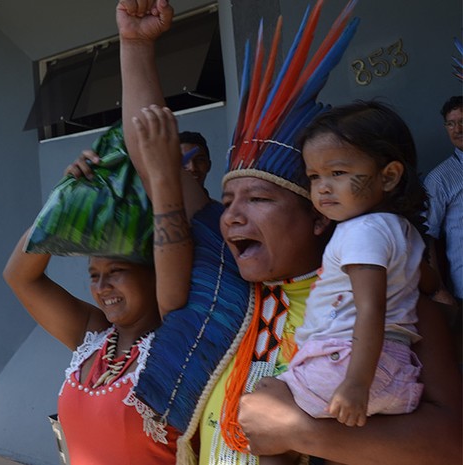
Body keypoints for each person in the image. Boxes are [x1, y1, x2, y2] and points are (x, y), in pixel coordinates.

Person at [116, 1, 462, 464]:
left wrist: (300, 433)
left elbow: (451, 440)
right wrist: (135, 45)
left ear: (320, 216)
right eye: (228, 202)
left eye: (258, 200)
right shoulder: (227, 285)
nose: (231, 217)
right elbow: (152, 156)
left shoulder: (395, 305)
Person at [3, 129, 186, 464]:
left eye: (116, 272)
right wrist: (66, 198)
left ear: (154, 270)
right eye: (93, 275)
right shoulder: (94, 335)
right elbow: (18, 276)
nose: (102, 287)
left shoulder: (177, 343)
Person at [261, 101, 427, 465]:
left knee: (266, 403)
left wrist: (356, 383)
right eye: (315, 177)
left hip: (351, 364)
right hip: (396, 369)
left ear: (388, 176)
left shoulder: (361, 231)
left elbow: (371, 309)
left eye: (337, 172)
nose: (322, 188)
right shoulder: (400, 229)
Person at [423, 96, 462, 313]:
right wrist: (438, 289)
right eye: (451, 123)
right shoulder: (439, 179)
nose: (458, 129)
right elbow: (427, 235)